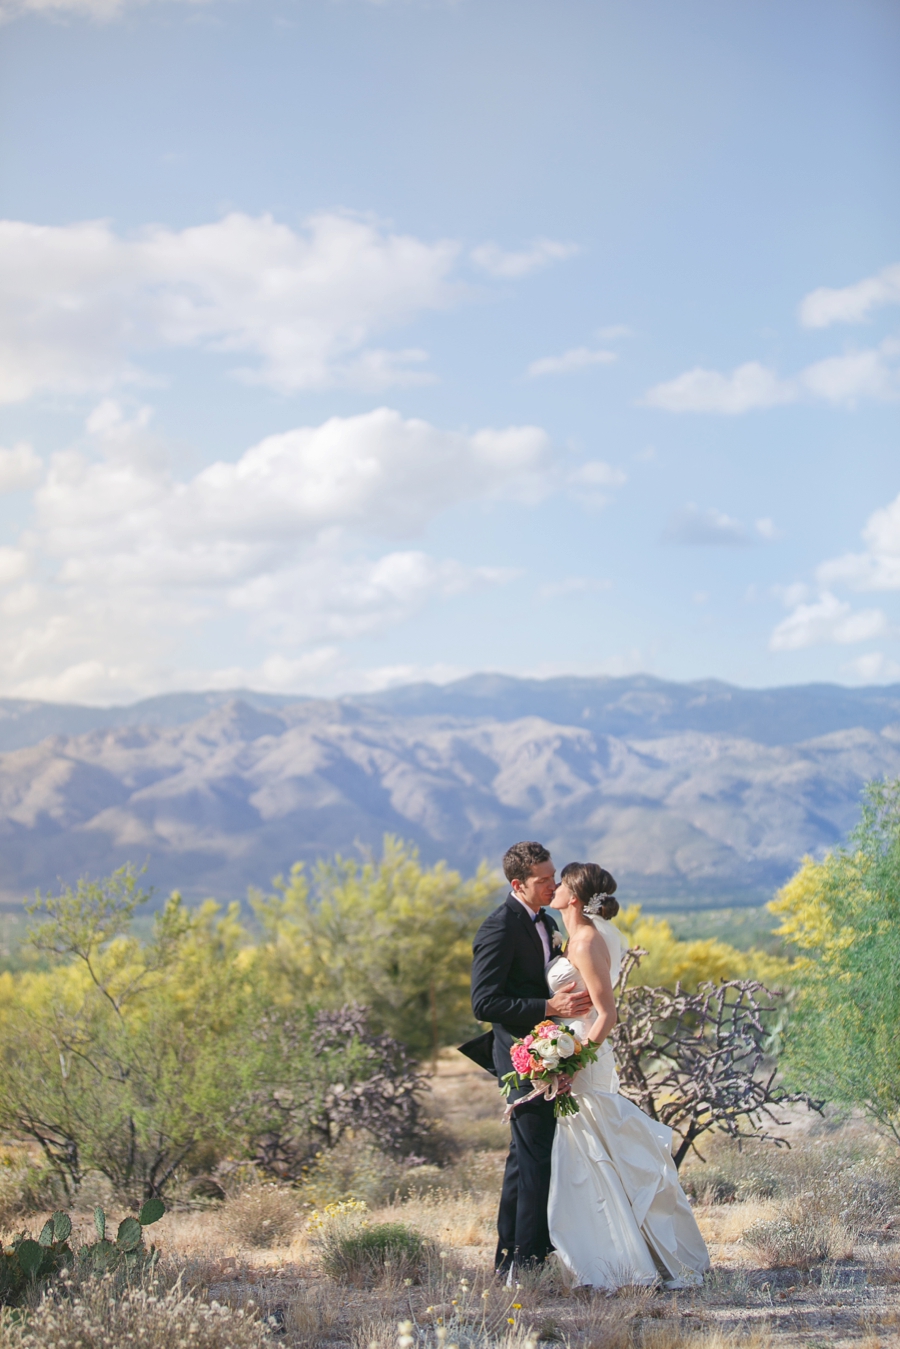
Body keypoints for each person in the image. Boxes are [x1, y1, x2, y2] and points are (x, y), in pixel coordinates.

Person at [546, 861, 710, 1290]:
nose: (556, 889)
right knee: (594, 1151)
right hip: (573, 1047)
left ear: (575, 897)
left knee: (594, 1152)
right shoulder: (579, 938)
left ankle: (614, 1261)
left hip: (583, 1052)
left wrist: (571, 1062)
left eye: (561, 884)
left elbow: (607, 1014)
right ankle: (611, 1253)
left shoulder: (584, 942)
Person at [466, 841, 593, 1275]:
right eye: (543, 880)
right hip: (520, 1057)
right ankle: (531, 1260)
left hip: (549, 1051)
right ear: (518, 884)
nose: (553, 885)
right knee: (538, 1155)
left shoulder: (549, 920)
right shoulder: (498, 928)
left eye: (553, 876)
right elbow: (484, 1003)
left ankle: (510, 1261)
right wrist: (548, 1009)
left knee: (525, 1159)